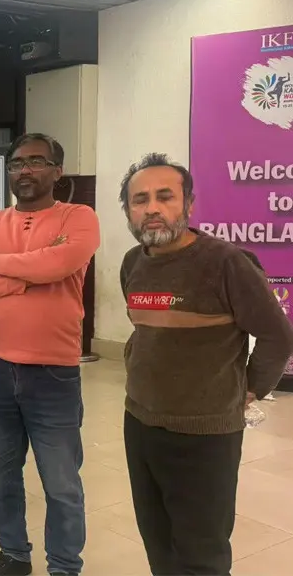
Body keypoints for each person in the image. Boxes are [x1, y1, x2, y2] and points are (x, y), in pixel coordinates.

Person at [118, 153, 293, 575]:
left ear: (189, 204)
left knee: (202, 554)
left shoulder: (226, 262)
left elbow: (277, 335)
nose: (152, 208)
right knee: (158, 541)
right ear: (128, 211)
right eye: (140, 200)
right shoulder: (133, 263)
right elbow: (143, 330)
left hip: (205, 432)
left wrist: (249, 389)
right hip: (140, 422)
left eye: (165, 196)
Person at [0, 133, 99, 576]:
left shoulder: (79, 217)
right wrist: (28, 278)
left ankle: (64, 567)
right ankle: (14, 555)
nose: (24, 170)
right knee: (1, 477)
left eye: (36, 161)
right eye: (16, 164)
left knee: (61, 483)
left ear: (58, 170)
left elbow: (59, 265)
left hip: (53, 373)